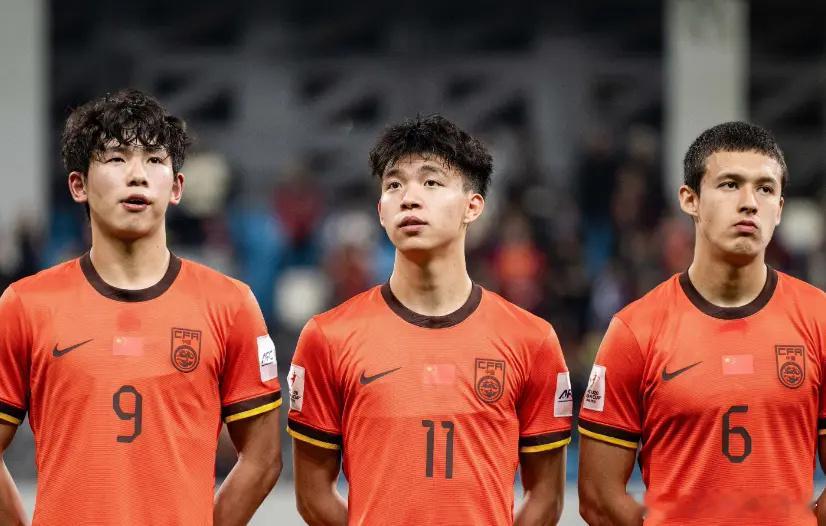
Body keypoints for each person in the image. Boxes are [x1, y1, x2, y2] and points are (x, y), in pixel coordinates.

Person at [0, 89, 282, 525]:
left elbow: (263, 458)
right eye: (116, 158)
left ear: (177, 187)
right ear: (78, 185)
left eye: (154, 160)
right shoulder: (25, 305)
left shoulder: (231, 305)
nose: (137, 175)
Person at [287, 115, 572, 525]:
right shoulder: (327, 337)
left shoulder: (532, 340)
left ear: (473, 206)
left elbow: (546, 497)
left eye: (431, 182)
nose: (408, 198)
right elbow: (313, 495)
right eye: (394, 185)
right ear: (380, 211)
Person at [578, 121, 826, 525]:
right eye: (730, 184)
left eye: (765, 189)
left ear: (780, 208)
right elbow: (597, 498)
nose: (750, 203)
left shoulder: (820, 320)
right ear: (690, 199)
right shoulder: (635, 331)